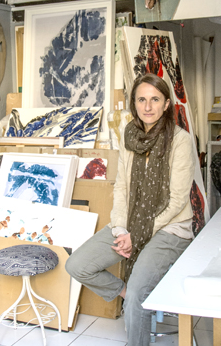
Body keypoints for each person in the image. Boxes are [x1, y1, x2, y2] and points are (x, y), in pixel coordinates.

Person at [66, 73, 195, 346]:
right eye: (141, 99)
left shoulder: (180, 140)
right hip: (131, 223)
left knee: (138, 294)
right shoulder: (130, 137)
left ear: (166, 104)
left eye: (155, 100)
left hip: (170, 227)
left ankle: (136, 299)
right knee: (77, 265)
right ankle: (130, 294)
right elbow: (122, 188)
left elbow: (177, 200)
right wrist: (121, 229)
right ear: (134, 103)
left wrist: (137, 234)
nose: (147, 107)